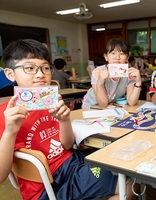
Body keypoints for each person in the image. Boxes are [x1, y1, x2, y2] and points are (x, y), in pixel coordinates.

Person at [0, 39, 134, 200]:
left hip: (71, 162)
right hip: (47, 186)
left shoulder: (50, 102)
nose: (40, 74)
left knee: (120, 162)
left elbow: (67, 146)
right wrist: (10, 131)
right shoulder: (5, 115)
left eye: (45, 68)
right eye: (29, 68)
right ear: (10, 73)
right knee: (128, 186)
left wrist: (64, 121)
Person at [82, 38, 142, 108]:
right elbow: (103, 104)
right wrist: (100, 83)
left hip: (109, 107)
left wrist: (138, 81)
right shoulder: (98, 72)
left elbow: (131, 102)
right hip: (91, 106)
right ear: (106, 57)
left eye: (122, 53)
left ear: (127, 58)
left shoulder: (129, 74)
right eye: (113, 53)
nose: (117, 57)